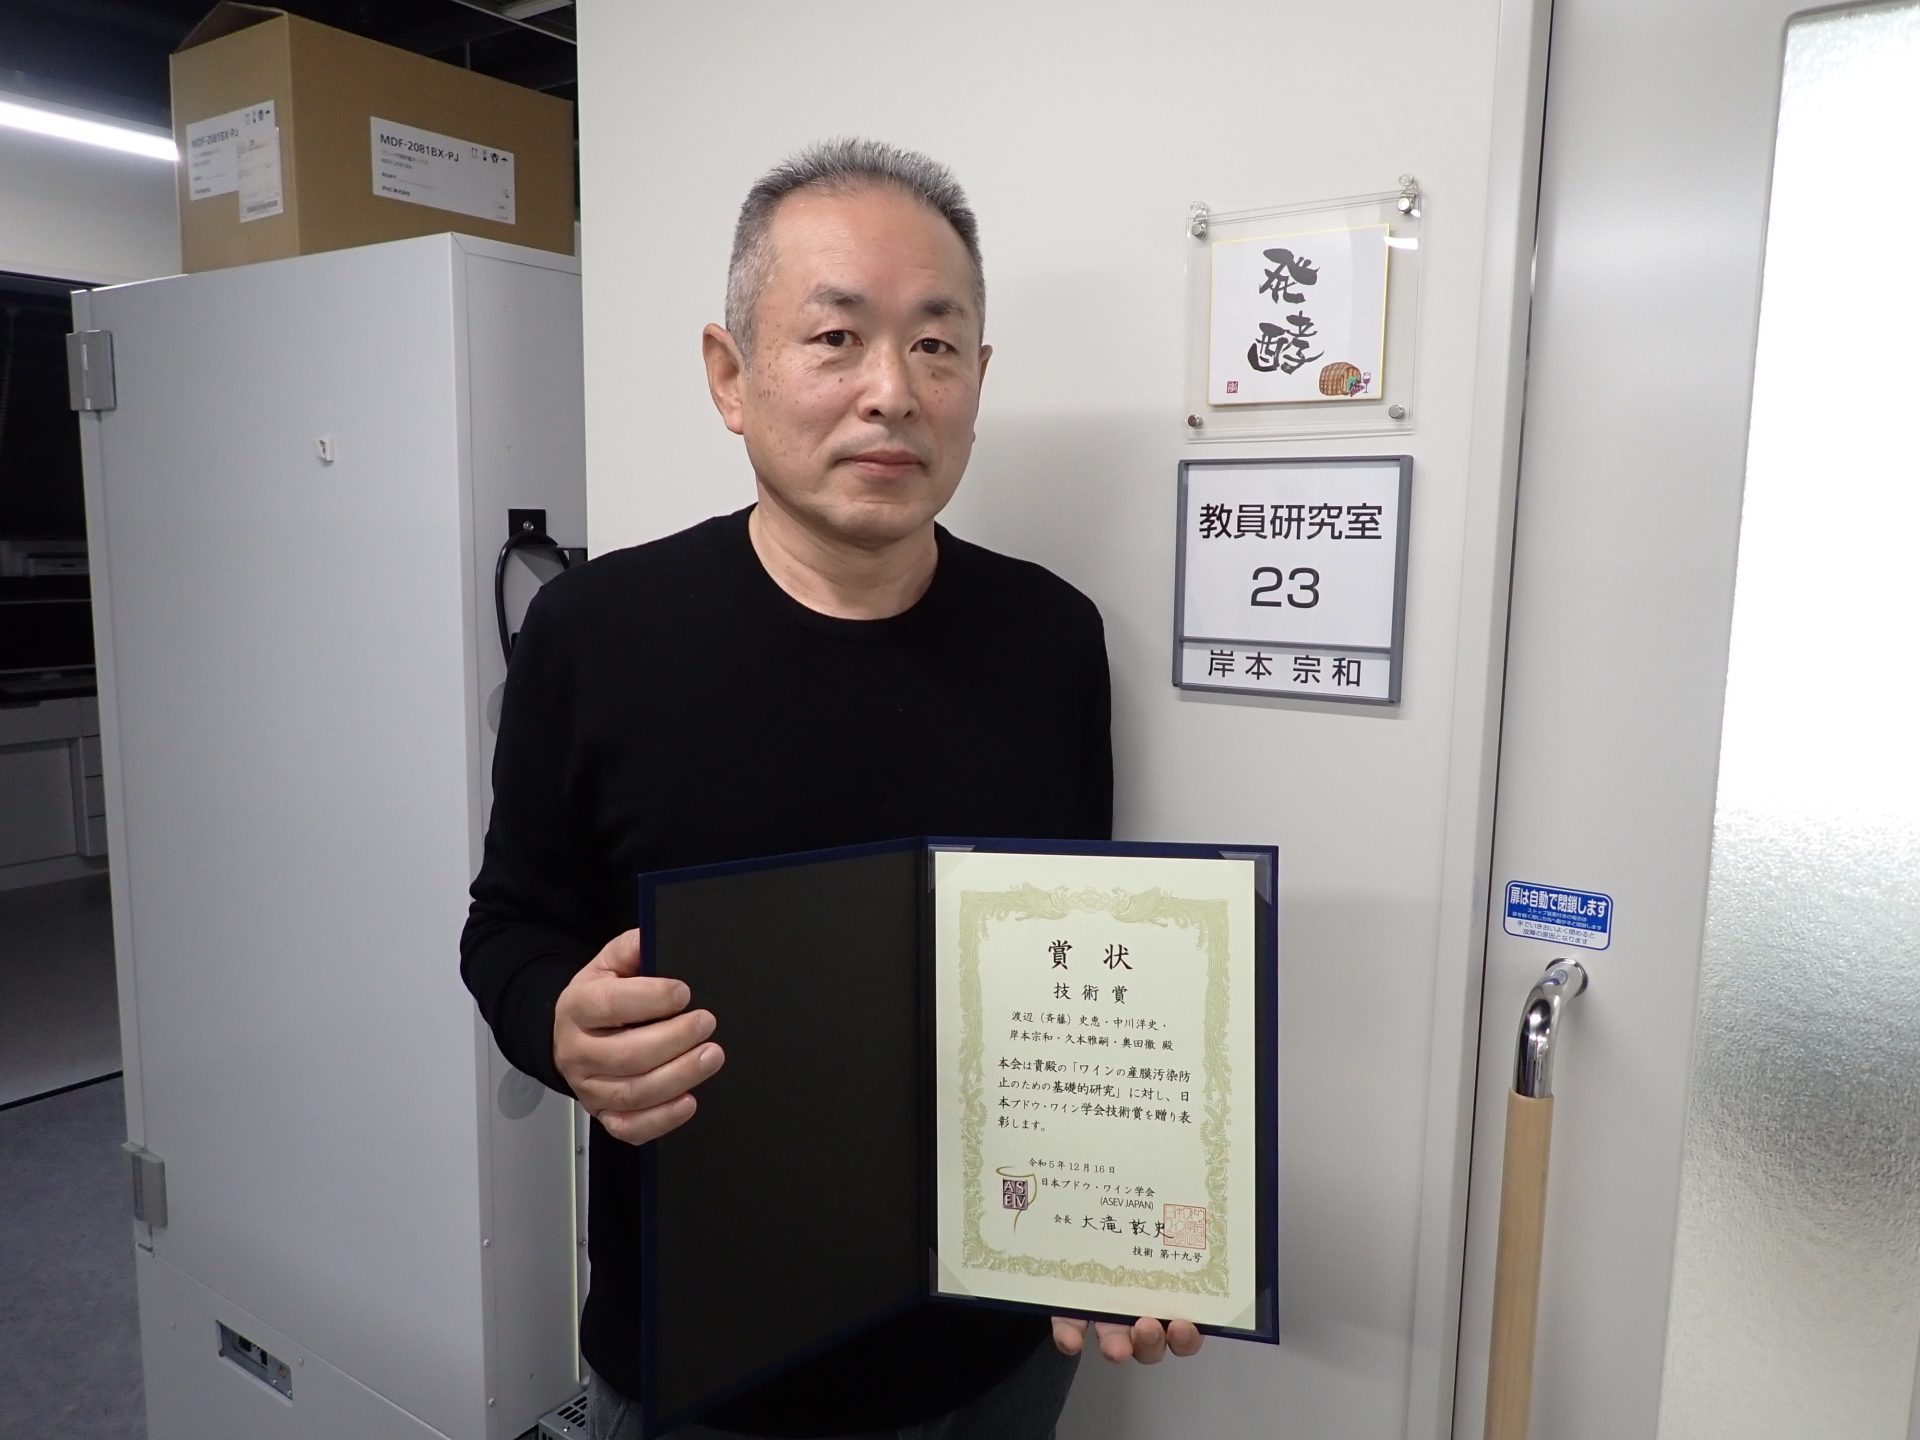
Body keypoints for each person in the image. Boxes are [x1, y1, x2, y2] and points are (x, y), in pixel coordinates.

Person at [461, 138, 1201, 1440]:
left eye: (936, 345)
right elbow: (509, 926)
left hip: (995, 1351)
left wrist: (1119, 1222)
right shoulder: (597, 632)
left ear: (978, 380)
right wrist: (559, 1027)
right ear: (729, 374)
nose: (892, 392)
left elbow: (1076, 970)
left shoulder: (1049, 637)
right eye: (836, 338)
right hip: (710, 1353)